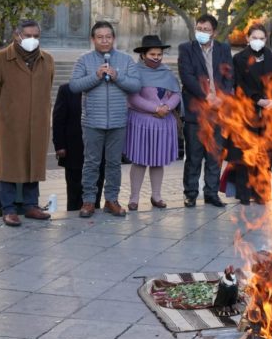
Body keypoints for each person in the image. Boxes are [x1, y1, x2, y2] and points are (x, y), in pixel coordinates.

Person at [0, 19, 54, 226]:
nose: (32, 40)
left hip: (38, 122)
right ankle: (9, 209)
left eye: (36, 36)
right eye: (28, 35)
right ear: (17, 36)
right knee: (9, 166)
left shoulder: (47, 60)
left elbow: (48, 87)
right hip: (11, 123)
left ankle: (32, 205)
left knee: (34, 163)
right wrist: (9, 111)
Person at [70, 21, 141, 217]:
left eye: (108, 37)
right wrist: (96, 75)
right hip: (92, 121)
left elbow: (136, 86)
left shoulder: (126, 60)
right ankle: (88, 201)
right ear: (93, 39)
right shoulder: (83, 61)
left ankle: (112, 200)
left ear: (114, 39)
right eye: (100, 37)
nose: (104, 41)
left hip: (118, 121)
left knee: (114, 164)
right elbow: (74, 86)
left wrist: (118, 77)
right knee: (91, 162)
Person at [178, 13, 234, 208]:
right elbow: (187, 77)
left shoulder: (224, 49)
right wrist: (206, 96)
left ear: (214, 32)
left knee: (215, 155)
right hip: (196, 110)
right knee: (194, 155)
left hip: (218, 110)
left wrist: (221, 97)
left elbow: (229, 76)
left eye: (206, 30)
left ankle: (211, 193)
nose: (202, 32)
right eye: (199, 29)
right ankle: (190, 194)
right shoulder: (186, 49)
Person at [125, 35, 181, 210]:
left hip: (163, 124)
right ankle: (134, 198)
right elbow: (133, 97)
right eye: (152, 54)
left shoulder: (167, 73)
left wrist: (167, 107)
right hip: (141, 123)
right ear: (143, 55)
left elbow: (176, 94)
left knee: (158, 161)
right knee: (140, 161)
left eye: (159, 54)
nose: (156, 57)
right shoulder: (134, 72)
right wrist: (155, 109)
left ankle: (156, 196)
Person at [230, 22, 272, 205]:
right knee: (247, 153)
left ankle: (262, 193)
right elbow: (238, 85)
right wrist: (257, 100)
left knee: (265, 154)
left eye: (261, 38)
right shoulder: (239, 59)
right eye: (254, 38)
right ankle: (244, 194)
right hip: (247, 111)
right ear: (247, 38)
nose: (258, 41)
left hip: (269, 112)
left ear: (266, 39)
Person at [52, 83, 105, 211]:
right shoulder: (67, 89)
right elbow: (58, 119)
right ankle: (73, 218)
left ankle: (94, 211)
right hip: (74, 149)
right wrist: (59, 145)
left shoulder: (102, 89)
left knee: (96, 187)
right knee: (74, 190)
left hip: (97, 149)